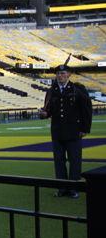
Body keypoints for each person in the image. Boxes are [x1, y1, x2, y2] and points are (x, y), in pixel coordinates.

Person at [39, 63, 92, 198]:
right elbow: (48, 110)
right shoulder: (51, 91)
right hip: (57, 132)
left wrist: (85, 128)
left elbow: (86, 110)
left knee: (75, 160)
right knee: (59, 161)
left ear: (69, 75)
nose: (60, 76)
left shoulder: (78, 89)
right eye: (58, 74)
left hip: (74, 131)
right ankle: (62, 188)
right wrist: (44, 114)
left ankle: (74, 188)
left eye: (63, 73)